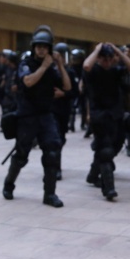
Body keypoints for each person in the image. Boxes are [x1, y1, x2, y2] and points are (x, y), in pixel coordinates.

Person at [3, 27, 70, 207]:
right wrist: (45, 66)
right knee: (22, 155)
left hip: (46, 116)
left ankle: (50, 194)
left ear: (49, 49)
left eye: (45, 47)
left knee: (52, 153)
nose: (41, 49)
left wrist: (61, 65)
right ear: (34, 48)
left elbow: (67, 86)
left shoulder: (52, 67)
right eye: (38, 46)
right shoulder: (27, 63)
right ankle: (9, 184)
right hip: (27, 116)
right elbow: (28, 81)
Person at [83, 42, 130, 200]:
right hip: (99, 116)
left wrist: (116, 52)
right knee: (105, 151)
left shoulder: (116, 71)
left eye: (109, 58)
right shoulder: (93, 71)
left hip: (116, 116)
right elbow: (86, 65)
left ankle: (93, 175)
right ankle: (109, 189)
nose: (106, 61)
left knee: (114, 147)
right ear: (98, 58)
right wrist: (97, 49)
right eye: (103, 58)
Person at [50, 43, 79, 180]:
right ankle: (55, 168)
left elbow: (74, 92)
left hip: (63, 110)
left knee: (60, 139)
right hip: (50, 110)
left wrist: (63, 94)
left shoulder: (70, 72)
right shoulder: (47, 70)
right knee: (54, 140)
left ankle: (55, 164)